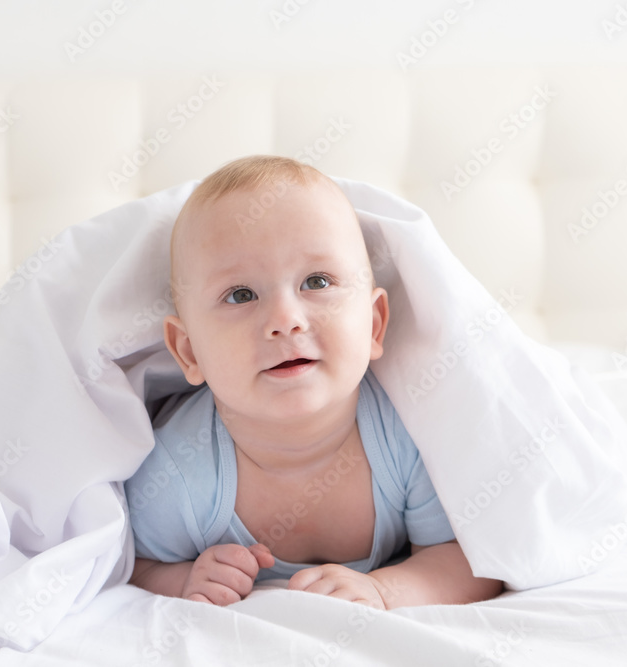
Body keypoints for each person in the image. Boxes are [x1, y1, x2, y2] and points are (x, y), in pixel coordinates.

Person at [125, 155, 503, 609]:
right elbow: (133, 564)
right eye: (241, 294)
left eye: (317, 281)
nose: (285, 321)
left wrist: (385, 590)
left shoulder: (411, 436)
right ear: (188, 351)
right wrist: (186, 580)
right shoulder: (176, 474)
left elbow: (468, 560)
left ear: (373, 325)